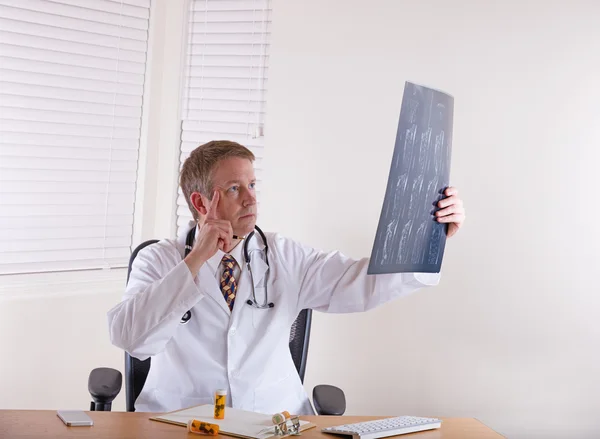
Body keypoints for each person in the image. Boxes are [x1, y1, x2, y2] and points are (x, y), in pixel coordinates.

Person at [107, 140, 466, 414]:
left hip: (273, 423)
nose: (251, 200)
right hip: (180, 422)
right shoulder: (159, 260)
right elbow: (130, 337)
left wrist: (429, 238)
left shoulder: (282, 256)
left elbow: (363, 283)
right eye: (235, 188)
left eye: (252, 185)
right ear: (201, 205)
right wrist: (198, 258)